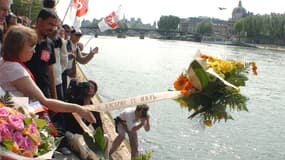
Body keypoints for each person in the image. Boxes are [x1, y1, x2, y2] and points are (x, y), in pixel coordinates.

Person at [0, 25, 96, 125]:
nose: (34, 51)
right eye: (31, 47)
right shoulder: (15, 69)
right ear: (18, 47)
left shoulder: (5, 62)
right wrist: (78, 109)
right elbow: (45, 101)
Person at [25, 8, 58, 99]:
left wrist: (54, 97)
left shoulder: (50, 44)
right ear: (40, 21)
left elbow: (50, 71)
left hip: (44, 93)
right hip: (25, 93)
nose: (53, 28)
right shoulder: (24, 39)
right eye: (50, 24)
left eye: (55, 25)